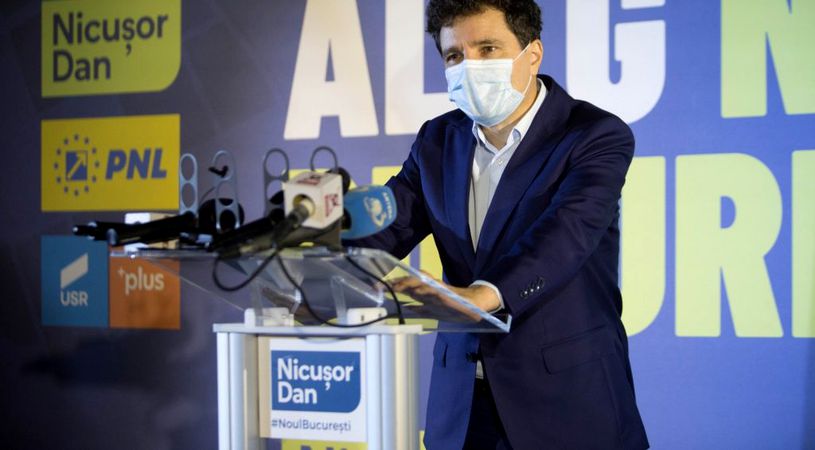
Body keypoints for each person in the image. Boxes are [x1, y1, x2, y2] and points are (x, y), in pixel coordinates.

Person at [349, 1, 649, 448]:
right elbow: (389, 222)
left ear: (533, 54)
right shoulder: (437, 140)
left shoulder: (594, 135)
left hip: (566, 405)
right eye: (455, 55)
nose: (469, 67)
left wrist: (483, 296)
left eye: (487, 49)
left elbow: (566, 234)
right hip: (462, 410)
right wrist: (321, 267)